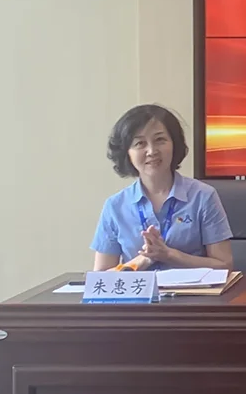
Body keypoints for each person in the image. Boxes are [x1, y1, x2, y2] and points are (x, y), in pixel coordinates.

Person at [89, 105, 233, 272]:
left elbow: (224, 265)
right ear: (127, 153)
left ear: (174, 144)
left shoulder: (203, 197)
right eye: (140, 143)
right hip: (138, 290)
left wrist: (170, 255)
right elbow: (101, 277)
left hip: (192, 290)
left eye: (160, 140)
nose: (151, 151)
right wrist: (143, 259)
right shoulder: (115, 206)